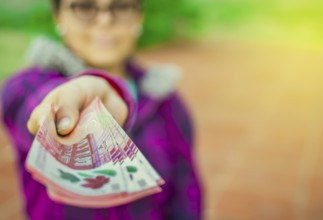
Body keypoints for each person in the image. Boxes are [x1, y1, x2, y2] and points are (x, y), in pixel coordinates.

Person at [0, 0, 203, 219]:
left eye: (121, 6)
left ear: (139, 17)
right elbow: (28, 109)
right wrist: (75, 102)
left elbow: (186, 193)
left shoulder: (168, 103)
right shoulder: (24, 86)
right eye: (84, 7)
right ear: (58, 16)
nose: (105, 20)